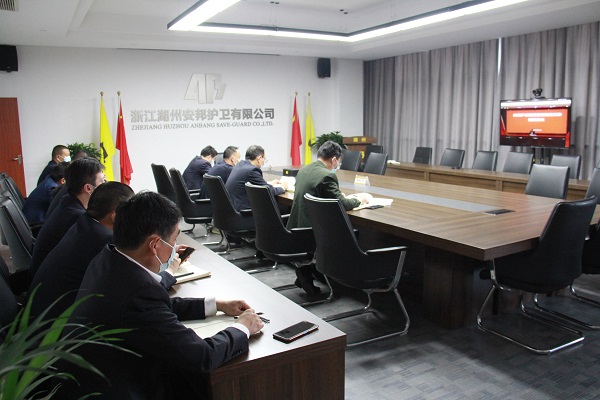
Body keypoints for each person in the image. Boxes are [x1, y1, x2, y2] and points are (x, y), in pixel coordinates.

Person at [57, 192, 263, 399]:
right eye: (173, 239)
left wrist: (215, 305)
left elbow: (156, 308)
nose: (175, 248)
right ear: (154, 245)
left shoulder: (109, 258)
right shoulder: (137, 291)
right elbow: (202, 356)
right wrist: (243, 327)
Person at [28, 182, 138, 320]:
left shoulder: (84, 225)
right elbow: (133, 283)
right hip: (57, 326)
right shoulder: (104, 242)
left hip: (40, 314)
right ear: (115, 215)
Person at [286, 140, 369, 293]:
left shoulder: (304, 170)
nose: (338, 165)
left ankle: (308, 272)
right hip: (312, 229)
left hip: (297, 225)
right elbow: (343, 204)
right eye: (339, 162)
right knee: (351, 232)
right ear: (334, 159)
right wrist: (359, 200)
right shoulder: (327, 176)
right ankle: (334, 272)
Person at [28, 157, 106, 281]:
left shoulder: (67, 200)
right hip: (52, 283)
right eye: (103, 181)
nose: (106, 186)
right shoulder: (75, 217)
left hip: (44, 275)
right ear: (88, 188)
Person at [225, 145, 287, 211]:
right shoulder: (252, 170)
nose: (264, 162)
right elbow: (267, 191)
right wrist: (282, 187)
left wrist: (269, 183)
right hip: (245, 212)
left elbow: (256, 185)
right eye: (264, 159)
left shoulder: (240, 165)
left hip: (233, 209)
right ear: (259, 158)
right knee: (284, 207)